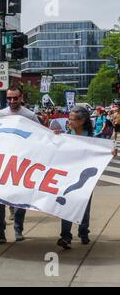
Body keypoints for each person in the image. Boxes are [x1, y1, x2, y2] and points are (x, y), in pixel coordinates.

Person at [55, 106, 118, 249]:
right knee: (66, 205)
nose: (69, 122)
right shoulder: (65, 135)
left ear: (82, 121)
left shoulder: (92, 137)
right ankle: (65, 236)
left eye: (72, 119)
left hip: (85, 177)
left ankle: (83, 232)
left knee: (84, 205)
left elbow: (104, 149)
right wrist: (55, 136)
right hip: (68, 175)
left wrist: (111, 151)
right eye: (69, 118)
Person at [0, 85, 41, 245]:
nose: (12, 101)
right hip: (2, 162)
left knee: (20, 199)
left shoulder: (30, 116)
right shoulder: (0, 114)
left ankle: (18, 229)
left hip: (22, 163)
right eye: (9, 98)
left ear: (21, 97)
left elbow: (41, 136)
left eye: (15, 98)